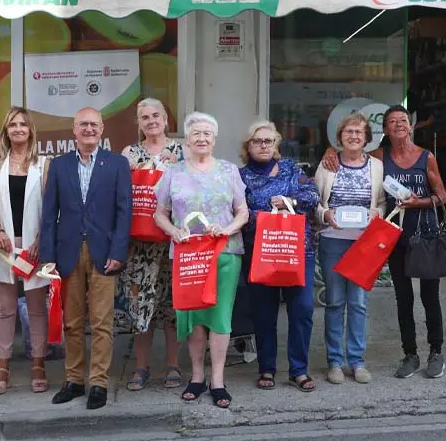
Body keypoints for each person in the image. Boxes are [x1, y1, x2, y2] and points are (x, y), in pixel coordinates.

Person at [320, 106, 446, 379]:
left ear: (411, 126)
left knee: (430, 297)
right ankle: (410, 354)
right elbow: (350, 156)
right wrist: (329, 151)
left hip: (424, 235)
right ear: (385, 131)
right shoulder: (379, 157)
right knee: (403, 298)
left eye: (403, 120)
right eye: (392, 122)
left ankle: (436, 351)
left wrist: (419, 202)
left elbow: (442, 197)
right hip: (392, 237)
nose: (399, 124)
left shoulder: (426, 157)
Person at [153, 112, 249, 408]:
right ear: (187, 139)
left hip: (225, 253)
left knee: (220, 319)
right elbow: (160, 213)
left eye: (207, 133)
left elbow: (242, 212)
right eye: (196, 133)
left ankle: (218, 380)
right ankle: (196, 376)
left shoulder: (230, 171)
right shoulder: (173, 172)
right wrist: (174, 231)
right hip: (187, 256)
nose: (202, 138)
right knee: (194, 319)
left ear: (215, 138)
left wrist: (227, 229)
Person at [41, 107, 132, 410]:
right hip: (67, 252)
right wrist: (48, 257)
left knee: (102, 321)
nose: (89, 129)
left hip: (104, 253)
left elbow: (124, 212)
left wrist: (119, 251)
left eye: (94, 124)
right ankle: (74, 380)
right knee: (72, 321)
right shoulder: (59, 165)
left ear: (102, 129)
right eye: (83, 124)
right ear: (74, 129)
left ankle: (99, 382)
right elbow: (48, 214)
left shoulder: (117, 164)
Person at [238, 120, 319, 392]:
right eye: (258, 141)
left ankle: (298, 369)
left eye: (269, 141)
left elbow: (312, 196)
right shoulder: (240, 176)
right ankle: (267, 368)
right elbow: (236, 211)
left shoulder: (291, 169)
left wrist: (288, 202)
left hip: (297, 249)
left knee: (303, 310)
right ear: (248, 146)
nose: (264, 145)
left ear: (276, 145)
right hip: (260, 251)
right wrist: (259, 215)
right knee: (263, 313)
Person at [0, 107, 51, 395]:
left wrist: (40, 242)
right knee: (5, 309)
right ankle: (3, 366)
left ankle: (38, 364)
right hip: (4, 244)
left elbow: (51, 208)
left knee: (37, 309)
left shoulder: (45, 165)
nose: (19, 129)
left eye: (23, 124)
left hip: (34, 245)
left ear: (31, 130)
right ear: (6, 131)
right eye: (13, 125)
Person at [314, 112, 385, 385]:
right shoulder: (327, 163)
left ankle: (356, 361)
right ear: (340, 137)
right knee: (334, 302)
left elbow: (381, 202)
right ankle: (334, 361)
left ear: (366, 138)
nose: (354, 136)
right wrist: (324, 215)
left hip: (364, 243)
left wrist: (376, 214)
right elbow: (315, 201)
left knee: (358, 303)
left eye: (359, 132)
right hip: (332, 239)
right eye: (349, 132)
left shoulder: (376, 166)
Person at [118, 98, 184, 391]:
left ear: (166, 119)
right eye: (145, 117)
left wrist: (178, 170)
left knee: (172, 307)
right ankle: (141, 368)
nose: (151, 120)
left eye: (156, 115)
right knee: (140, 305)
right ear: (139, 123)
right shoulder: (129, 154)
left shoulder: (182, 151)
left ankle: (173, 366)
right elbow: (118, 195)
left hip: (174, 241)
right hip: (139, 244)